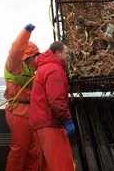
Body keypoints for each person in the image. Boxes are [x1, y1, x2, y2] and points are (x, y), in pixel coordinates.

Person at [29, 41, 75, 171]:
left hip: (39, 123)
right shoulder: (55, 70)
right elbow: (56, 100)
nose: (68, 56)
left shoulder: (43, 67)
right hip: (49, 123)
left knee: (46, 165)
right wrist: (67, 119)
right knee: (62, 165)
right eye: (66, 53)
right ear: (57, 53)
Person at [4, 24, 40, 171]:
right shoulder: (14, 65)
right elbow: (15, 50)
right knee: (19, 151)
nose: (37, 60)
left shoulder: (33, 69)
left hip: (32, 112)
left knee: (35, 151)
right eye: (34, 57)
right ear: (26, 57)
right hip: (18, 112)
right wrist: (26, 32)